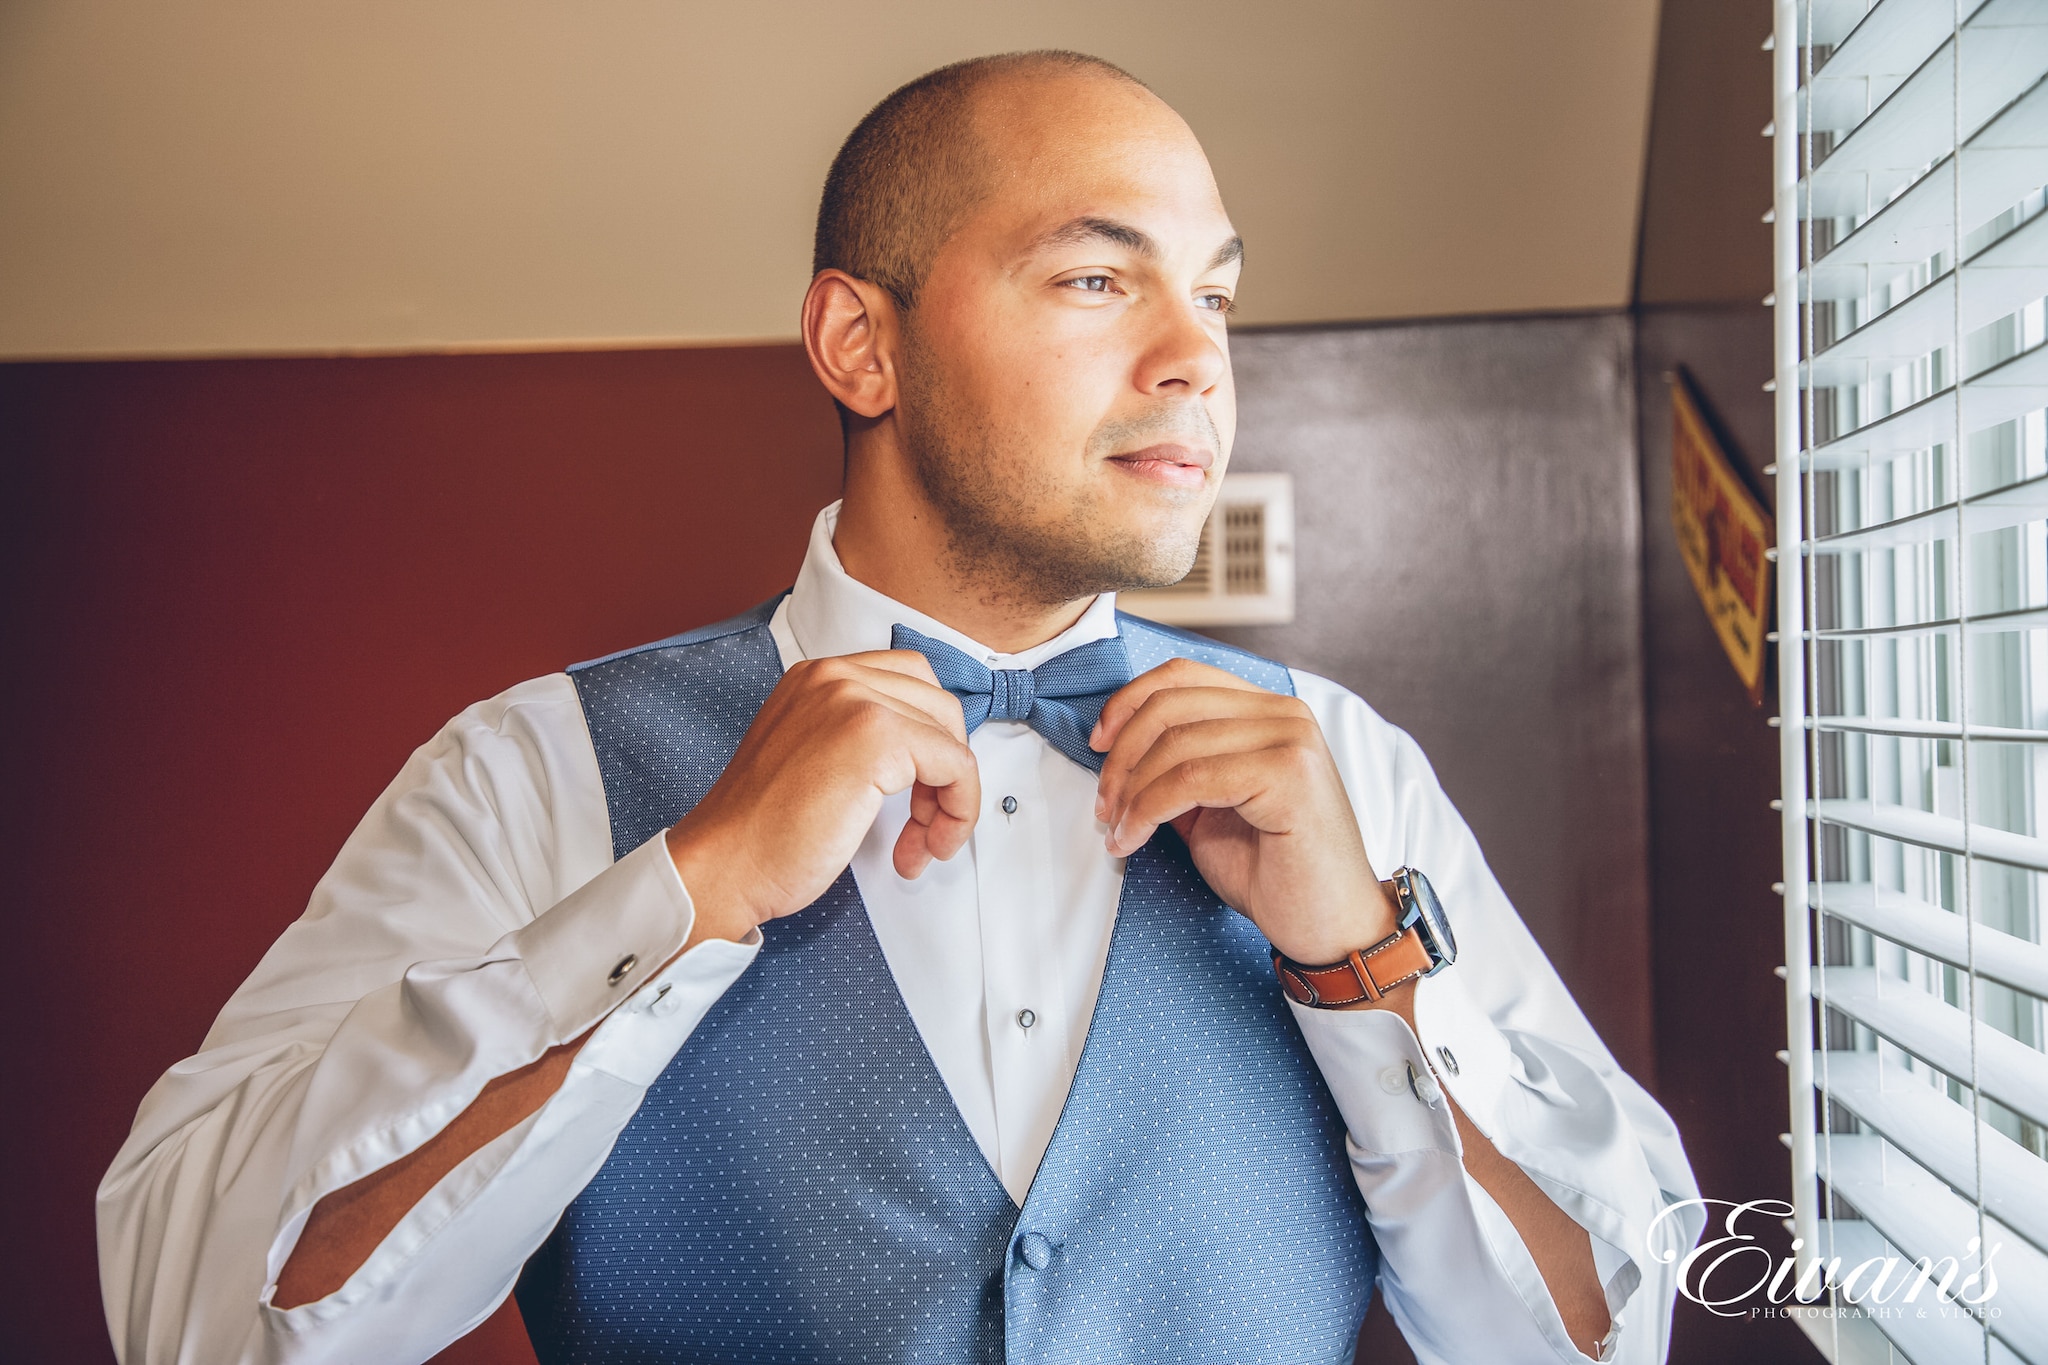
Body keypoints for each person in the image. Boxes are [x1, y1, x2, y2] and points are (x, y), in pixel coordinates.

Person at [97, 50, 1701, 1365]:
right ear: (861, 343)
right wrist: (688, 890)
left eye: (1215, 299)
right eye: (1095, 276)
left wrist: (1363, 966)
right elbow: (195, 1314)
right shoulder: (535, 773)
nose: (1197, 360)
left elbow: (1596, 1338)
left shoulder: (1348, 771)